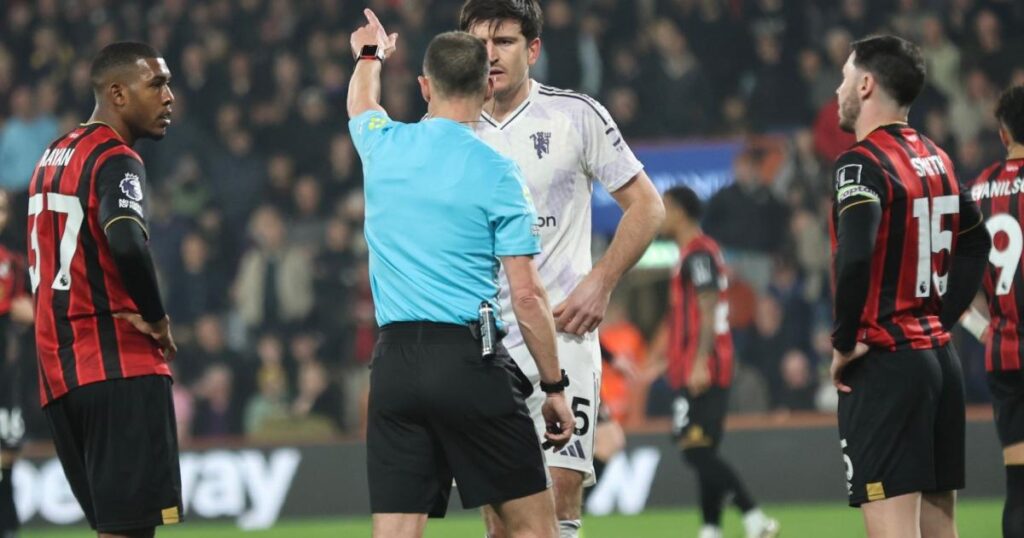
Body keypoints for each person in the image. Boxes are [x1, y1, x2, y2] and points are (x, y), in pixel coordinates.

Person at [346, 10, 574, 538]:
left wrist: (369, 53)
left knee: (396, 531)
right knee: (533, 530)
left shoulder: (382, 145)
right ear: (484, 88)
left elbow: (361, 100)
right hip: (468, 362)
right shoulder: (499, 173)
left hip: (395, 365)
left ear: (425, 86)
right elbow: (528, 296)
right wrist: (554, 385)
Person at [458, 2, 665, 536]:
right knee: (503, 519)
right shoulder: (449, 130)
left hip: (564, 331)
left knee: (559, 492)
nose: (490, 53)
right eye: (479, 41)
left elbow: (648, 206)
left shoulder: (576, 116)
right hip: (482, 343)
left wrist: (601, 281)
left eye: (503, 41)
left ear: (532, 50)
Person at [828, 35, 990, 537]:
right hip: (940, 361)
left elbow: (855, 255)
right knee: (941, 528)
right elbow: (976, 244)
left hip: (887, 364)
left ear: (867, 84)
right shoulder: (937, 158)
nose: (838, 90)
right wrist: (939, 321)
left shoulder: (860, 163)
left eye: (844, 77)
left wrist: (843, 340)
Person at [27, 42, 181, 537]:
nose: (169, 97)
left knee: (113, 528)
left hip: (60, 377)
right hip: (118, 367)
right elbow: (127, 244)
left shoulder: (51, 156)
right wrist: (156, 318)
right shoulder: (116, 158)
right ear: (117, 92)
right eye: (156, 84)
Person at [647, 186, 778, 538]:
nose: (660, 215)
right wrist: (664, 362)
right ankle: (711, 529)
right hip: (693, 364)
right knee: (702, 449)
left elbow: (708, 311)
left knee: (694, 449)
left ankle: (754, 518)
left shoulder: (699, 254)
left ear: (679, 211)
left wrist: (700, 361)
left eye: (665, 208)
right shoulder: (691, 254)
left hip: (704, 367)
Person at [960, 85, 1024, 538]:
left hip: (1004, 359)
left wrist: (984, 330)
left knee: (1019, 488)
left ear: (1003, 135)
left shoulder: (977, 190)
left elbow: (950, 283)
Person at [0, 190, 33, 538]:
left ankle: (8, 525)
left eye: (3, 209)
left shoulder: (14, 260)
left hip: (7, 372)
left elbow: (28, 310)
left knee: (8, 452)